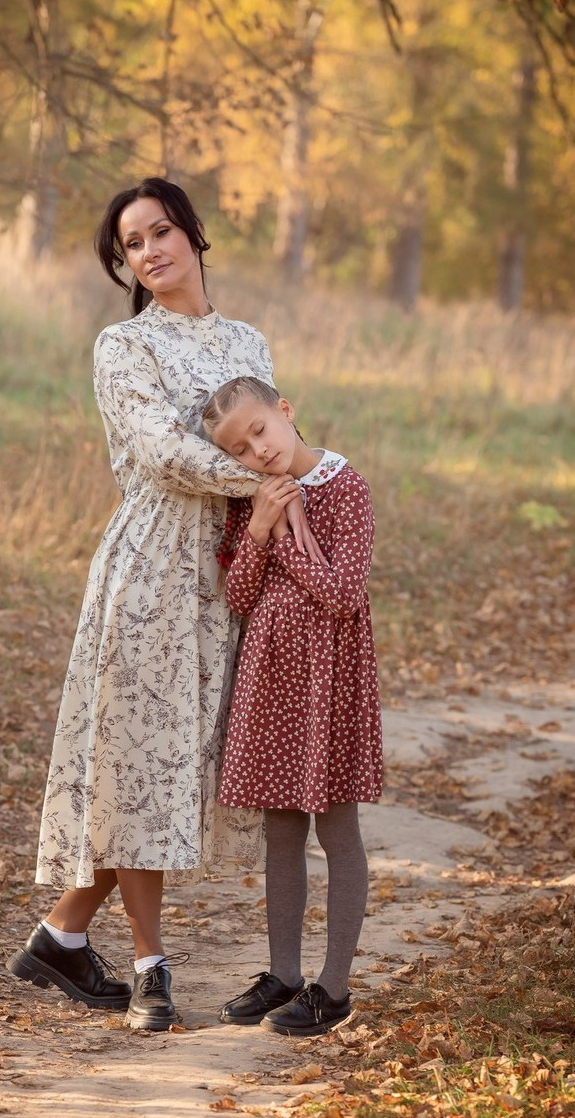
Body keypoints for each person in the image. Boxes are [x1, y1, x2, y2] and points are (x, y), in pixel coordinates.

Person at [6, 178, 322, 1032]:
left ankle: (61, 938)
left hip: (234, 572)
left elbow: (273, 438)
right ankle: (151, 969)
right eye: (132, 244)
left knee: (175, 772)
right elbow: (163, 453)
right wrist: (266, 484)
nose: (149, 252)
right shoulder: (123, 347)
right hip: (151, 569)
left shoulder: (247, 340)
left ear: (193, 233)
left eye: (160, 232)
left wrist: (300, 494)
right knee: (137, 761)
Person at [202, 375, 382, 1036]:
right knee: (281, 830)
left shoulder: (346, 486)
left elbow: (342, 593)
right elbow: (240, 597)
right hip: (273, 675)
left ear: (285, 411)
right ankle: (283, 975)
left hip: (328, 678)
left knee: (336, 828)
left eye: (260, 430)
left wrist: (281, 537)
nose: (259, 451)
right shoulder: (254, 501)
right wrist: (260, 529)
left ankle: (333, 989)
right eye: (241, 449)